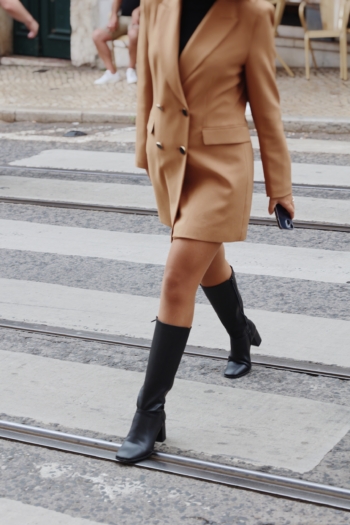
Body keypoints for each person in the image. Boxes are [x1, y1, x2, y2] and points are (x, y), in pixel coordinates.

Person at [116, 0, 295, 464]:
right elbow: (148, 84)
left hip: (221, 168)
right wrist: (144, 151)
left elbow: (266, 107)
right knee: (205, 262)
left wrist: (280, 186)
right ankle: (242, 333)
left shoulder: (252, 15)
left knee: (178, 277)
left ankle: (148, 414)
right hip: (171, 161)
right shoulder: (157, 6)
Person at [93, 0, 140, 85]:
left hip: (140, 19)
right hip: (122, 18)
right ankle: (111, 73)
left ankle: (131, 69)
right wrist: (114, 15)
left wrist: (138, 11)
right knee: (97, 35)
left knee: (133, 35)